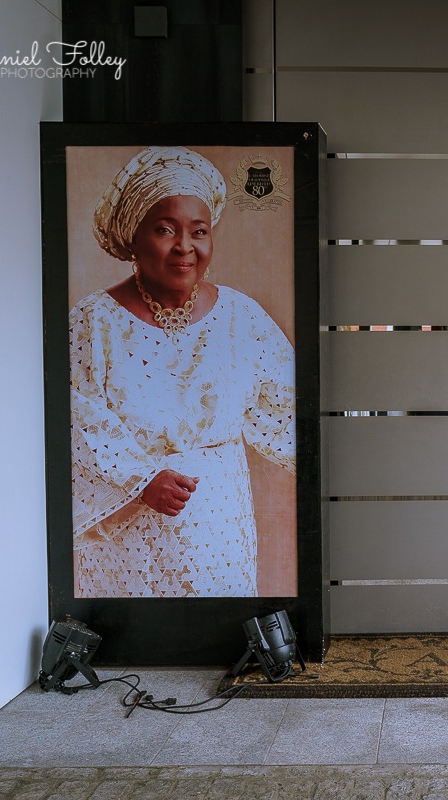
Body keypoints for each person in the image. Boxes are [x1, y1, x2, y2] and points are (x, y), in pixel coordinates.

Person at [70, 146, 296, 598]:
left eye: (199, 231)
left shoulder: (241, 317)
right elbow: (75, 417)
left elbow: (289, 408)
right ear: (134, 237)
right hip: (130, 535)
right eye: (164, 229)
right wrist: (141, 481)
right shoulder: (93, 321)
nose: (185, 247)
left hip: (221, 525)